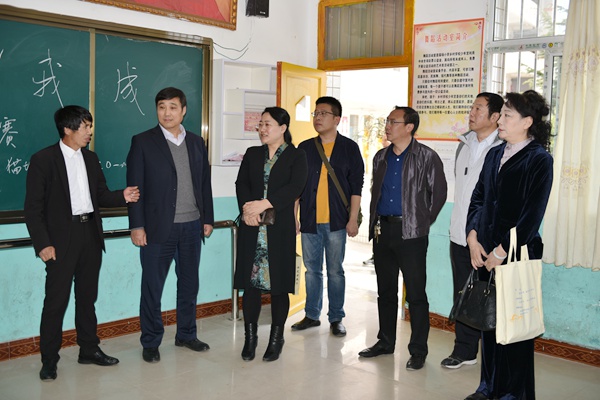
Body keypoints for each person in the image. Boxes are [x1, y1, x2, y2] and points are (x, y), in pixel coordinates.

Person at [24, 105, 140, 381]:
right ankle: (49, 359)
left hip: (90, 235)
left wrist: (122, 195)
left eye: (90, 126)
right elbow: (33, 208)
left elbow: (100, 195)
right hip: (60, 240)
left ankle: (88, 349)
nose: (90, 132)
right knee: (56, 302)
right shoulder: (43, 159)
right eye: (86, 126)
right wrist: (43, 244)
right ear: (67, 128)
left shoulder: (90, 158)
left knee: (87, 299)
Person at [464, 90, 553, 400]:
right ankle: (488, 387)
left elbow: (532, 215)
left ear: (527, 122)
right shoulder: (495, 154)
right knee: (489, 322)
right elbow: (478, 197)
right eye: (501, 114)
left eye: (507, 115)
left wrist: (501, 252)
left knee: (515, 326)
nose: (500, 120)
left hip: (516, 253)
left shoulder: (539, 159)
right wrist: (472, 236)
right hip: (485, 249)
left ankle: (513, 394)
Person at [126, 87, 214, 363]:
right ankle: (151, 341)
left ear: (183, 111)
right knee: (152, 287)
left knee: (189, 285)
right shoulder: (143, 141)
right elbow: (134, 188)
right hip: (157, 228)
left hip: (192, 226)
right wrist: (137, 225)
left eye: (173, 107)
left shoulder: (197, 142)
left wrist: (207, 218)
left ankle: (186, 334)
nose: (167, 113)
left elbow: (204, 183)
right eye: (162, 107)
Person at [358, 106, 447, 371]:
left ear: (409, 127)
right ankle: (385, 342)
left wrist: (421, 221)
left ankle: (418, 350)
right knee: (385, 291)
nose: (387, 126)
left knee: (416, 295)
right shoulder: (381, 157)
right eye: (387, 121)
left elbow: (438, 194)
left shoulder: (426, 157)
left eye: (393, 122)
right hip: (382, 231)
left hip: (412, 235)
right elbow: (376, 192)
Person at [234, 107, 308, 362]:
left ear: (283, 128)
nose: (262, 129)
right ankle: (250, 338)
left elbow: (295, 187)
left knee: (279, 285)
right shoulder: (253, 154)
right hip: (252, 227)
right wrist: (248, 211)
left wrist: (264, 204)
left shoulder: (297, 156)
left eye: (267, 124)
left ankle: (277, 338)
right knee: (250, 285)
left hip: (279, 229)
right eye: (261, 124)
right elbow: (241, 184)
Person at [292, 96, 364, 337]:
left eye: (323, 113)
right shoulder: (305, 148)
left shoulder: (349, 148)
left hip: (337, 222)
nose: (318, 118)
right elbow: (296, 186)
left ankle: (336, 317)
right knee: (312, 271)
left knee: (335, 271)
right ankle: (312, 315)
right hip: (310, 220)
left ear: (337, 119)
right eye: (316, 113)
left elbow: (356, 187)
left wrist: (352, 219)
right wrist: (294, 216)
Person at [442, 92, 504, 369]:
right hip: (460, 234)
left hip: (489, 240)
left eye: (479, 108)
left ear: (495, 116)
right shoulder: (464, 145)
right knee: (463, 292)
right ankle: (464, 351)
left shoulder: (503, 149)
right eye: (472, 107)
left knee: (492, 295)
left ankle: (494, 354)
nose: (472, 113)